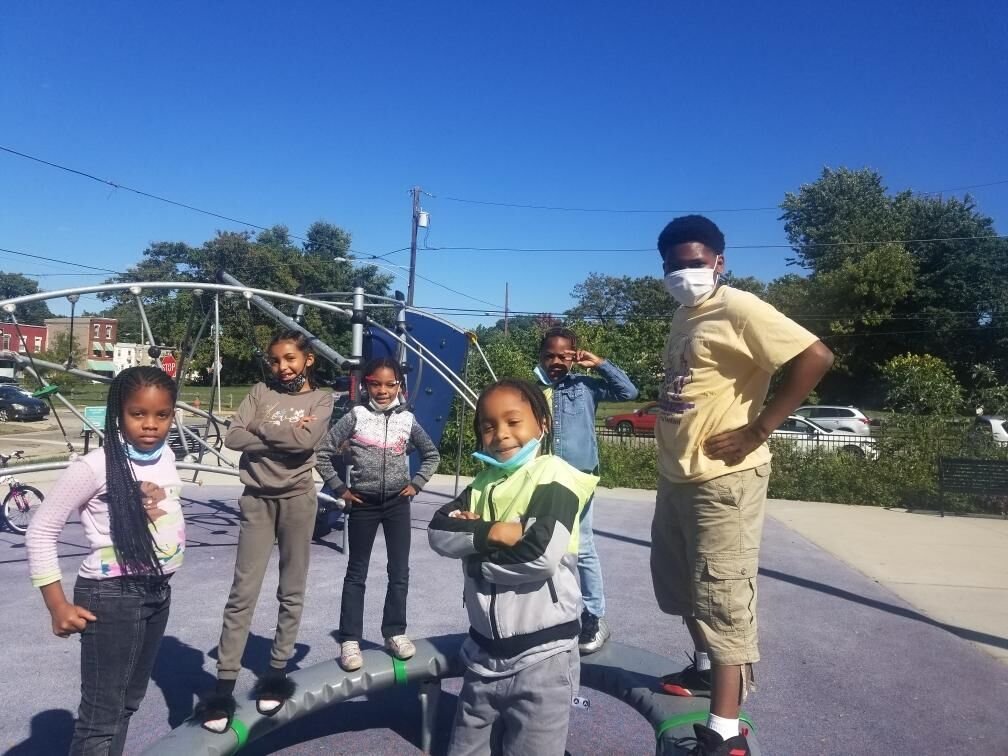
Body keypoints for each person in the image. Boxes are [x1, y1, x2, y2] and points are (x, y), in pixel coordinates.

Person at [651, 215, 833, 755]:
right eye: (675, 265)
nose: (685, 272)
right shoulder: (685, 313)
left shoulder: (740, 308)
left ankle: (725, 732)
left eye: (695, 263)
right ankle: (706, 668)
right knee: (682, 584)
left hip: (723, 481)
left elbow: (815, 356)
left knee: (723, 595)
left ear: (719, 263)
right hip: (677, 475)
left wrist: (758, 429)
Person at [428, 379, 598, 755]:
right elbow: (438, 532)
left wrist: (473, 557)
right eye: (488, 426)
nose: (500, 434)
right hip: (483, 654)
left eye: (513, 422)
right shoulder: (482, 484)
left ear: (543, 424)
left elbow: (540, 555)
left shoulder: (553, 475)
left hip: (543, 657)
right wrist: (494, 531)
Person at [26, 366, 183, 755]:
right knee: (102, 716)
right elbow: (41, 530)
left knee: (128, 703)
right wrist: (57, 604)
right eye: (138, 414)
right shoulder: (93, 466)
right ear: (119, 413)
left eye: (161, 415)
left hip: (157, 592)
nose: (151, 425)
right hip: (111, 596)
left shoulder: (166, 457)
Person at [199, 330, 334, 732]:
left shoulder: (321, 398)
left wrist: (260, 431)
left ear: (307, 359)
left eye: (290, 359)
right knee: (243, 592)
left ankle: (276, 672)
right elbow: (234, 435)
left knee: (290, 589)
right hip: (256, 499)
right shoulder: (259, 391)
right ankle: (223, 686)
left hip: (297, 499)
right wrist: (277, 434)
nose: (282, 367)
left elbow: (304, 442)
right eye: (275, 360)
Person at [316, 357, 440, 672]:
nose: (382, 390)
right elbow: (322, 452)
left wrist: (417, 484)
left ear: (400, 386)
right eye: (376, 384)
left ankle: (394, 632)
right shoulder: (356, 416)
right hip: (363, 504)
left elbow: (431, 454)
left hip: (398, 503)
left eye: (389, 384)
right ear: (366, 384)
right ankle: (350, 639)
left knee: (399, 571)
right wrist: (340, 489)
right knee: (356, 572)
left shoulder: (407, 419)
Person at [535, 326, 638, 653]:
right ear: (540, 356)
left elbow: (628, 393)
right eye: (549, 355)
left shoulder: (585, 386)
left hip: (578, 477)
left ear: (575, 356)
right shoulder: (533, 389)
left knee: (584, 547)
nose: (556, 361)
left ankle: (594, 615)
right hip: (542, 478)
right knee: (544, 545)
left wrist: (600, 364)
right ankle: (549, 613)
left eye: (564, 355)